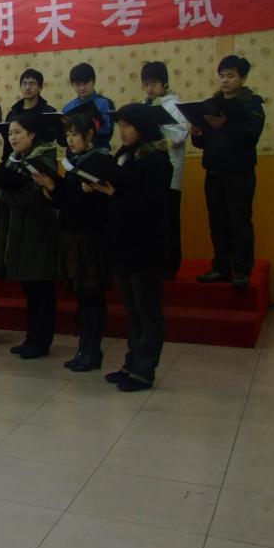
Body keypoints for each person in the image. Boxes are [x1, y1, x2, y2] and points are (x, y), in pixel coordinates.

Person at [91, 104, 173, 391]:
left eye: (128, 125)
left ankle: (144, 370)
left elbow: (151, 205)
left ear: (144, 128)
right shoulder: (123, 156)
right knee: (132, 310)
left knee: (147, 310)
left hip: (145, 245)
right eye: (120, 126)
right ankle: (131, 363)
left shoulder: (157, 160)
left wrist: (116, 193)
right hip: (122, 243)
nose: (122, 131)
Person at [33, 113, 112, 372]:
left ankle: (92, 350)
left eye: (75, 135)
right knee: (82, 299)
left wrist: (57, 189)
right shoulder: (73, 162)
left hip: (90, 237)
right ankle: (84, 349)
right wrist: (51, 190)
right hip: (71, 235)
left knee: (92, 298)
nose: (70, 140)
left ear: (89, 135)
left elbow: (89, 205)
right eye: (67, 135)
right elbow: (68, 200)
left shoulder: (99, 161)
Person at [191, 55, 265, 290]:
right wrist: (197, 133)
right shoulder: (212, 104)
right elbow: (203, 143)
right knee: (218, 223)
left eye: (230, 76)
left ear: (242, 78)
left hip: (239, 174)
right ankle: (221, 267)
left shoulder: (251, 105)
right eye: (222, 76)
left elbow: (250, 136)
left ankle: (241, 270)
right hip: (214, 173)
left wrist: (225, 124)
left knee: (239, 223)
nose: (225, 80)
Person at [0, 114, 59, 360]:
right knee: (30, 289)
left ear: (32, 134)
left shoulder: (43, 161)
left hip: (40, 231)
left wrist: (2, 195)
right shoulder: (15, 160)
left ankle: (41, 342)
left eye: (18, 132)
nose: (12, 138)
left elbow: (36, 197)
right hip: (22, 231)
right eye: (10, 133)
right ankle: (31, 338)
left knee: (41, 289)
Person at [141, 61, 188, 279]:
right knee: (152, 223)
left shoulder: (174, 105)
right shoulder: (146, 105)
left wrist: (155, 127)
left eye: (154, 84)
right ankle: (154, 263)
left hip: (170, 171)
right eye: (146, 84)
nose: (149, 88)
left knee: (169, 221)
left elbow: (179, 135)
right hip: (149, 172)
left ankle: (170, 266)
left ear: (165, 83)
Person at [1, 69, 56, 163]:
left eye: (32, 83)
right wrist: (5, 162)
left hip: (41, 160)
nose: (27, 87)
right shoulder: (13, 113)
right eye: (24, 83)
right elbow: (8, 143)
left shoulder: (49, 112)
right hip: (14, 160)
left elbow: (50, 141)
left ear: (40, 87)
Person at [63, 62, 115, 151]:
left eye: (85, 83)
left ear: (94, 81)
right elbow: (63, 139)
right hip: (74, 153)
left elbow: (108, 133)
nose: (82, 88)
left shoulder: (105, 103)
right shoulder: (68, 108)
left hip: (99, 150)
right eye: (78, 84)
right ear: (72, 84)